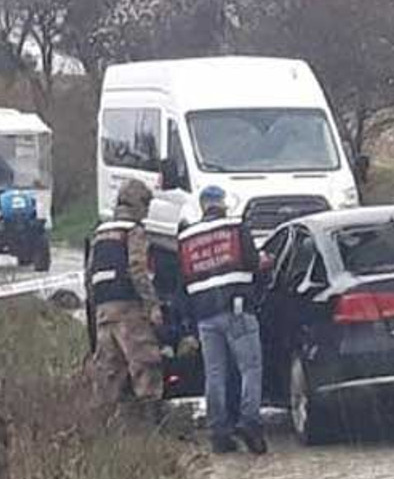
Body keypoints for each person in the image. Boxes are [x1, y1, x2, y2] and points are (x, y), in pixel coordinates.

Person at [177, 185, 268, 455]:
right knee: (250, 368)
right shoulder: (235, 226)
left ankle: (219, 433)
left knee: (215, 373)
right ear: (222, 204)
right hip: (237, 308)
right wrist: (264, 262)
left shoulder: (187, 236)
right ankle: (250, 422)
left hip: (205, 314)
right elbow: (252, 262)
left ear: (203, 205)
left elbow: (182, 281)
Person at [87, 180, 165, 422]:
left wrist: (95, 305)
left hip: (103, 309)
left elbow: (90, 274)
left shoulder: (101, 232)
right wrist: (152, 305)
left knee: (107, 372)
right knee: (145, 363)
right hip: (128, 307)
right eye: (147, 205)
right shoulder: (133, 230)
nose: (148, 211)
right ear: (138, 204)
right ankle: (153, 428)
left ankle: (104, 430)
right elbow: (137, 269)